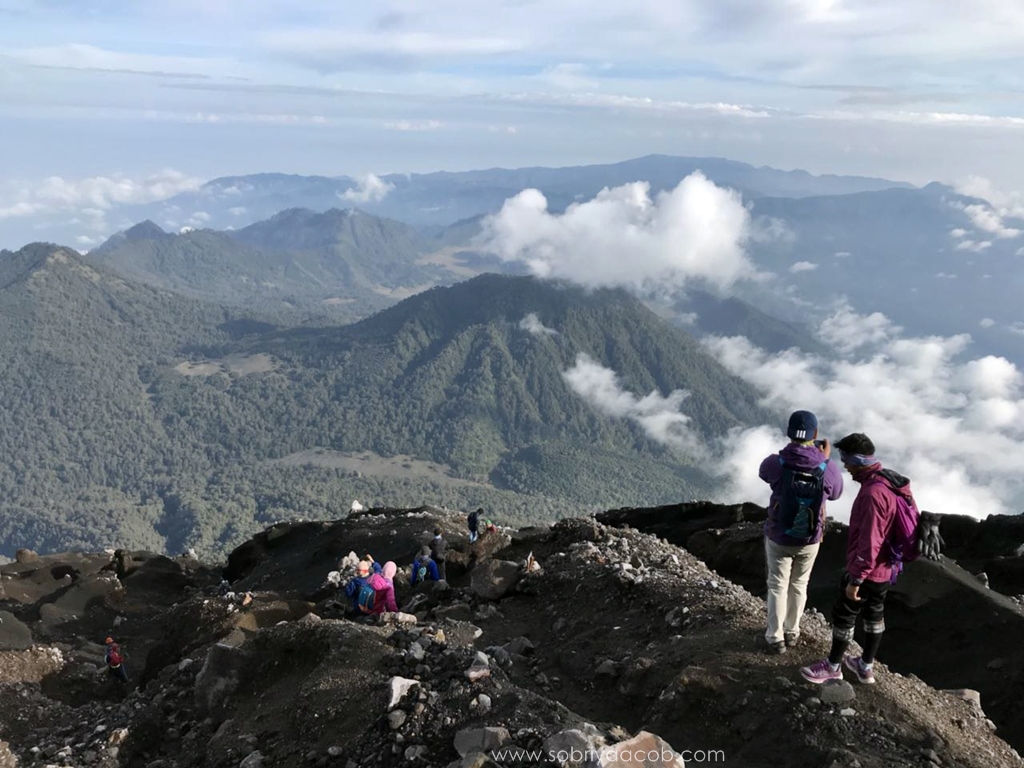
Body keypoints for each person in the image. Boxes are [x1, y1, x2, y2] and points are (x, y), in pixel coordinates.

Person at [801, 433, 915, 685]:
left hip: (868, 568)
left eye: (848, 461)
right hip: (887, 567)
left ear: (858, 460)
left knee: (845, 616)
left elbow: (870, 539)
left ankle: (832, 666)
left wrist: (857, 578)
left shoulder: (872, 494)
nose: (846, 467)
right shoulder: (891, 481)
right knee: (875, 615)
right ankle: (865, 666)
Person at [759, 410, 843, 654]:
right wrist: (824, 459)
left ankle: (774, 637)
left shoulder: (777, 462)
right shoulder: (826, 467)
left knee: (777, 584)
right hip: (810, 537)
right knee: (799, 583)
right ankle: (792, 631)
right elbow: (836, 493)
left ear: (788, 433)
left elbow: (764, 474)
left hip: (778, 533)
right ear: (815, 435)